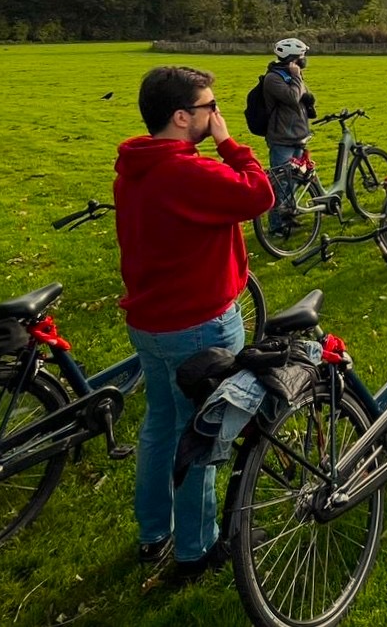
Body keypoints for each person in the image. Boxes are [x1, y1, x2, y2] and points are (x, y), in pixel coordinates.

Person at [113, 66, 274, 579]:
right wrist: (229, 144)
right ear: (182, 117)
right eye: (210, 107)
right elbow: (259, 194)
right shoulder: (187, 172)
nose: (217, 114)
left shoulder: (136, 165)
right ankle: (196, 549)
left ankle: (153, 531)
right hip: (199, 325)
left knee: (161, 426)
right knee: (201, 437)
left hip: (151, 321)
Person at [261, 37, 316, 171]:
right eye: (302, 55)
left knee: (298, 179)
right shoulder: (273, 78)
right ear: (293, 58)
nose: (304, 59)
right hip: (282, 141)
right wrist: (297, 76)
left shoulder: (291, 75)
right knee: (283, 180)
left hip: (298, 138)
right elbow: (292, 98)